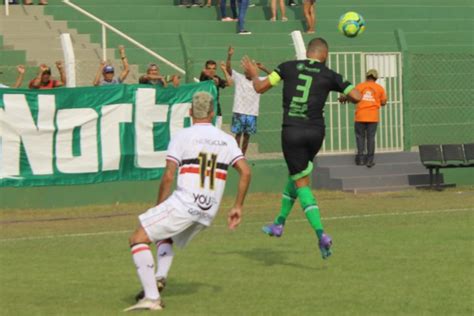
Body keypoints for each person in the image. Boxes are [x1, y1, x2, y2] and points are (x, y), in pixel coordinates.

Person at [124, 91, 251, 312]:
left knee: (138, 239)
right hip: (208, 210)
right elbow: (246, 172)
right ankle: (160, 276)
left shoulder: (182, 136)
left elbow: (169, 176)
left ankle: (152, 298)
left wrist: (159, 205)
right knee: (164, 236)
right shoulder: (227, 140)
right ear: (212, 114)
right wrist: (237, 206)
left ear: (190, 112)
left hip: (185, 202)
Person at [241, 37, 361, 259]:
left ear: (307, 52)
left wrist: (252, 73)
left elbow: (259, 87)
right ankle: (279, 222)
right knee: (296, 176)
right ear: (325, 55)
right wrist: (344, 96)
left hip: (293, 132)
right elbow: (357, 96)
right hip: (316, 133)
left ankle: (321, 233)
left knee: (302, 183)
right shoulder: (330, 74)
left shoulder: (287, 67)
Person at [226, 46, 269, 155]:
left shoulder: (259, 80)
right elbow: (228, 69)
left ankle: (243, 154)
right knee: (238, 134)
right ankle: (236, 154)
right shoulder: (239, 77)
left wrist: (263, 68)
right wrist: (229, 56)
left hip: (252, 112)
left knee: (247, 135)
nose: (246, 71)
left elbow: (273, 76)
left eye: (248, 69)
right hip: (239, 110)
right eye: (246, 69)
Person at [341, 69, 387, 168]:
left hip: (360, 116)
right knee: (371, 138)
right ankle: (370, 161)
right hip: (373, 117)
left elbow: (352, 96)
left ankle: (361, 160)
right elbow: (383, 102)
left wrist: (345, 97)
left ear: (367, 77)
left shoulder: (360, 86)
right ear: (376, 78)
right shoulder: (380, 88)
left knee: (360, 137)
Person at [199, 60, 230, 128]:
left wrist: (224, 70)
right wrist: (213, 79)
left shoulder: (217, 78)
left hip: (217, 112)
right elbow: (203, 74)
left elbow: (229, 83)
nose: (211, 71)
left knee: (216, 135)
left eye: (213, 68)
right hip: (205, 113)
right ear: (206, 69)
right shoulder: (204, 78)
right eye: (209, 68)